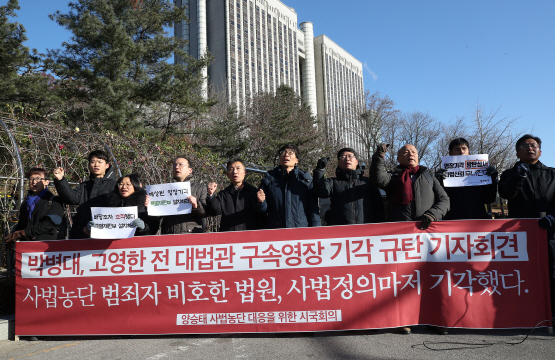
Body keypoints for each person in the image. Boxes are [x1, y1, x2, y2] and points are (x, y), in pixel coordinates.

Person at [370, 144, 449, 335]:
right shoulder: (394, 178)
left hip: (427, 236)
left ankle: (435, 320)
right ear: (398, 158)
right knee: (403, 279)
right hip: (401, 237)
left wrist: (432, 214)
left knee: (431, 279)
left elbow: (444, 200)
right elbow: (377, 178)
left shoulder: (429, 177)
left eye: (413, 152)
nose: (410, 154)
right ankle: (404, 319)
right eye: (405, 152)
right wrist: (379, 155)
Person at [498, 134, 555, 316]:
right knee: (523, 273)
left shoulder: (552, 173)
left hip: (550, 231)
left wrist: (553, 217)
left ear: (540, 150)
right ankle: (525, 312)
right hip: (520, 233)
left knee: (552, 271)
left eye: (533, 145)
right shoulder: (509, 174)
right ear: (517, 153)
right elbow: (506, 194)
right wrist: (518, 177)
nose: (530, 148)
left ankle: (551, 312)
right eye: (525, 146)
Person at [52, 149, 117, 239]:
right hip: (81, 232)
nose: (96, 165)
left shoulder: (116, 185)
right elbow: (71, 198)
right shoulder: (84, 186)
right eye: (93, 162)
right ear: (89, 165)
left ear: (107, 165)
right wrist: (61, 180)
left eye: (100, 162)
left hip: (105, 234)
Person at [312, 147, 384, 225]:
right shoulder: (332, 182)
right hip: (341, 231)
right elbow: (321, 192)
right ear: (339, 162)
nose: (347, 159)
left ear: (356, 161)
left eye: (350, 156)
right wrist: (320, 170)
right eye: (343, 157)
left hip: (366, 230)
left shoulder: (367, 182)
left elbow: (378, 207)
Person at [258, 144, 320, 229]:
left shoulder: (305, 181)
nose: (286, 155)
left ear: (296, 160)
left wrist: (316, 231)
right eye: (283, 152)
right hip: (276, 232)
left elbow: (313, 210)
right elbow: (261, 212)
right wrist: (260, 203)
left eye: (290, 153)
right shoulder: (269, 179)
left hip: (300, 232)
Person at [435, 138, 498, 220]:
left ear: (469, 152)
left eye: (464, 148)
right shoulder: (443, 177)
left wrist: (493, 179)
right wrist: (437, 181)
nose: (461, 152)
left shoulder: (480, 173)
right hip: (452, 221)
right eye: (457, 149)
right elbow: (439, 199)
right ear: (450, 153)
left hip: (478, 220)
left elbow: (489, 198)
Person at [4, 167, 64, 243]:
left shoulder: (54, 200)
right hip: (26, 247)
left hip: (46, 247)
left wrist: (23, 233)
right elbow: (22, 224)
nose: (34, 182)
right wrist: (13, 236)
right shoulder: (26, 202)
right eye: (31, 179)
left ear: (46, 182)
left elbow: (49, 224)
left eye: (38, 179)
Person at [205, 158, 264, 231]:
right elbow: (215, 211)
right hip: (228, 238)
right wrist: (211, 195)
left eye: (238, 168)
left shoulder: (254, 193)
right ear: (227, 175)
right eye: (231, 169)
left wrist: (261, 202)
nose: (235, 172)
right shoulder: (223, 194)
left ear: (245, 172)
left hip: (250, 237)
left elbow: (261, 213)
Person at [86, 174, 152, 236]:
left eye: (128, 184)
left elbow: (153, 227)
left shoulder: (145, 203)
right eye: (121, 184)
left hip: (136, 245)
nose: (124, 187)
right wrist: (93, 228)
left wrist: (144, 228)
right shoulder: (108, 202)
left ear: (135, 186)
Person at [155, 156, 207, 234]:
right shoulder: (165, 189)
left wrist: (197, 205)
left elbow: (206, 213)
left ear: (190, 170)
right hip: (169, 235)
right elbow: (157, 216)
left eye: (180, 164)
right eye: (174, 165)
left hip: (192, 235)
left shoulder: (200, 188)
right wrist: (151, 206)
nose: (177, 167)